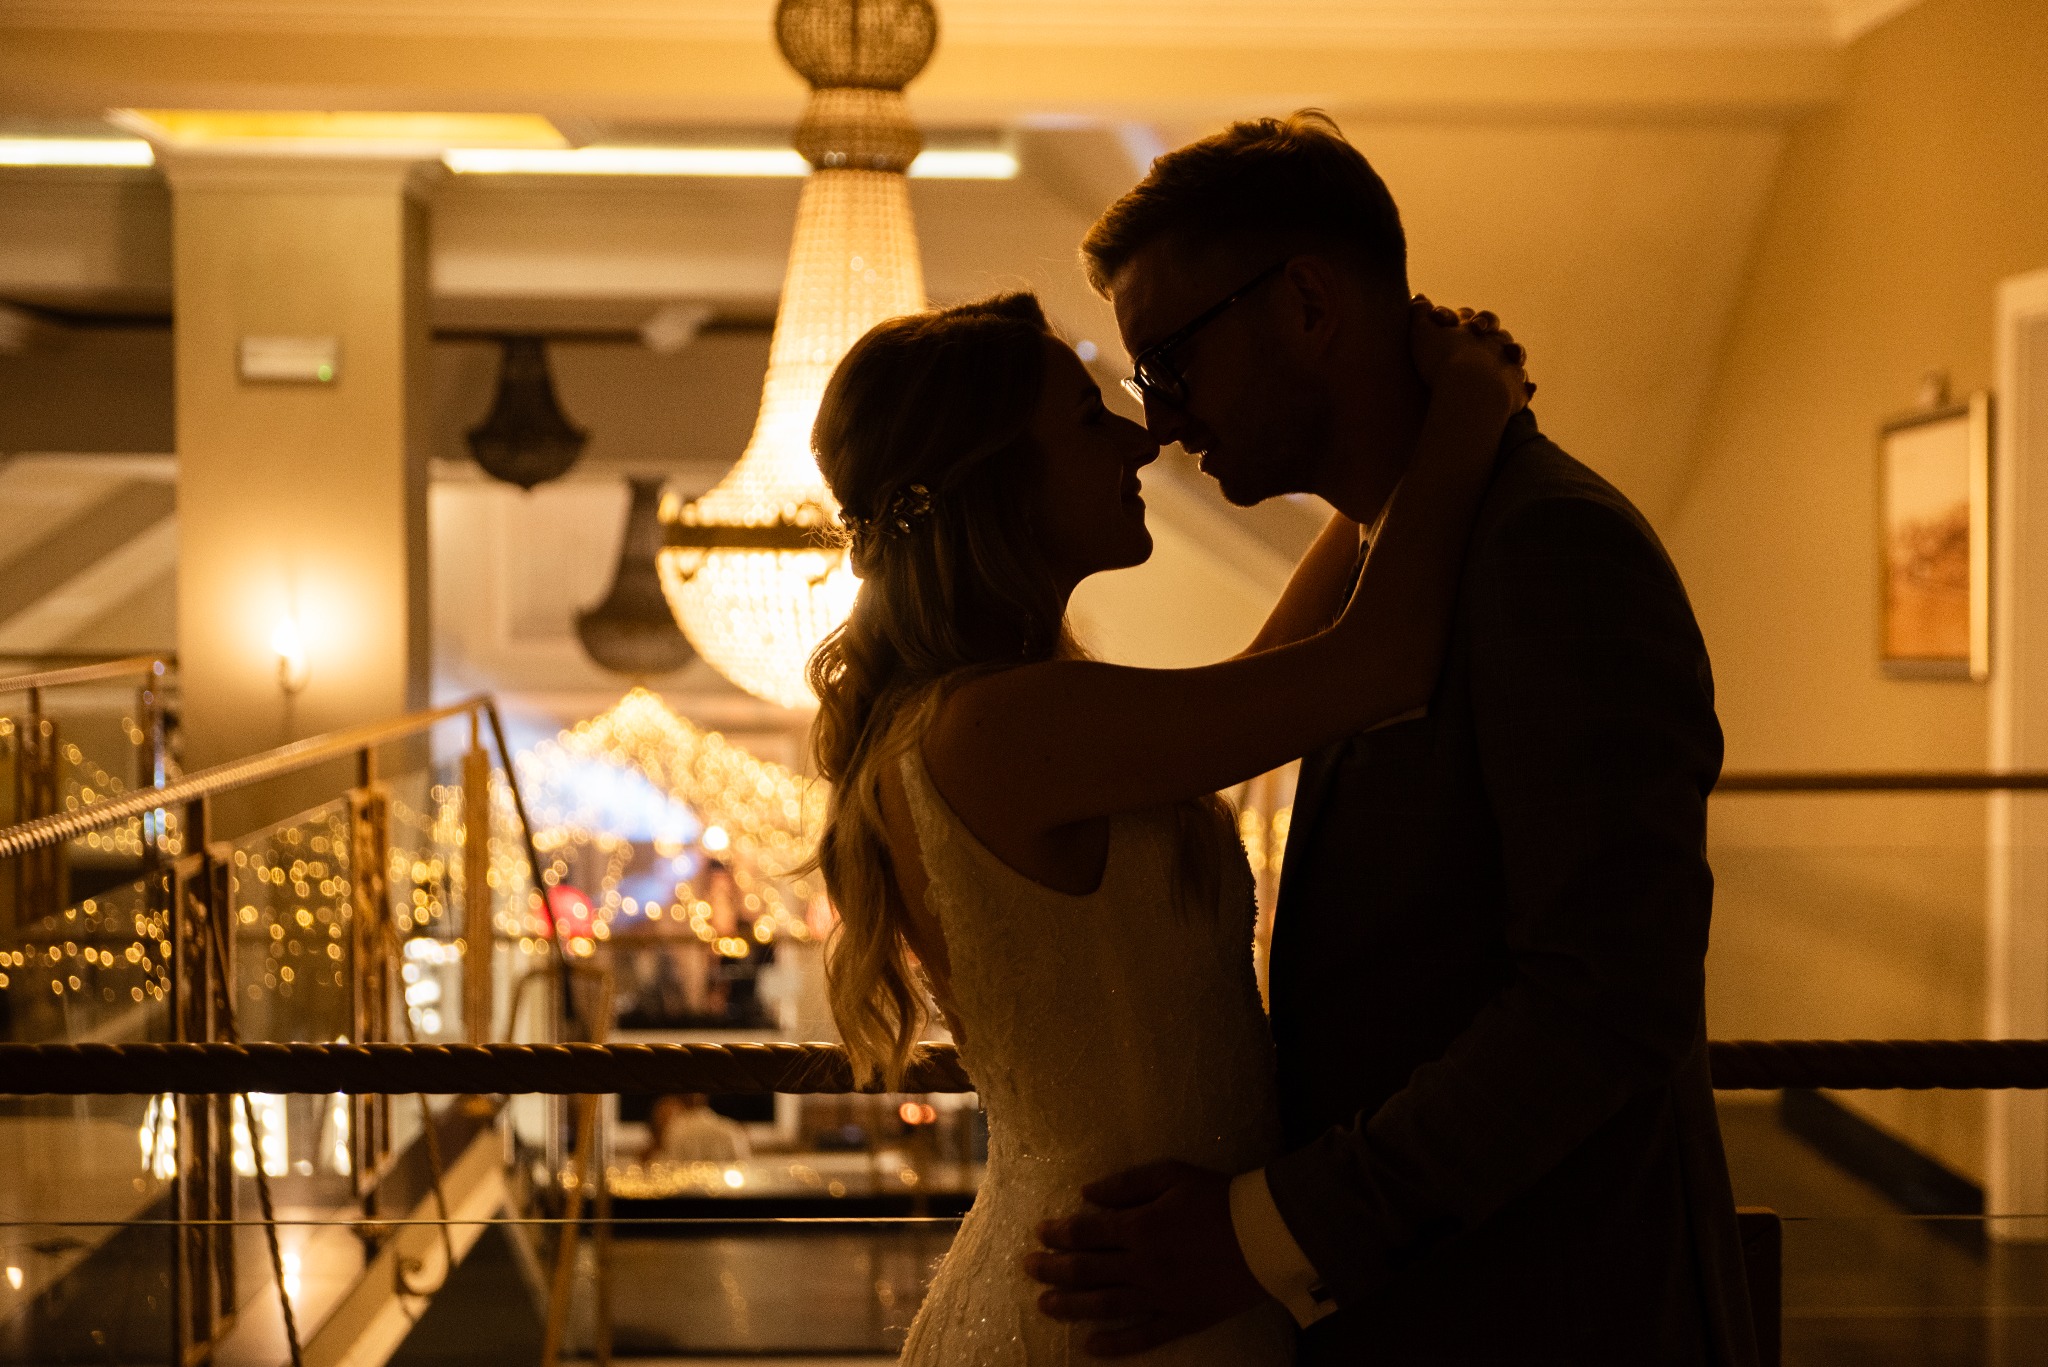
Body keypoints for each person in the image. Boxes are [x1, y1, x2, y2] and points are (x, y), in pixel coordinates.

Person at [1023, 112, 1759, 1365]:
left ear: (1306, 303)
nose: (1157, 419)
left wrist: (1264, 1229)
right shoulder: (1412, 551)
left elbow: (1602, 1000)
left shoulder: (1545, 548)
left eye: (1171, 363)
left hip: (1550, 1309)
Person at [804, 275, 1528, 1359]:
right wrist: (1474, 405)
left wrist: (1380, 477)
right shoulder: (997, 726)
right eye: (1089, 419)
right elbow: (1373, 664)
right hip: (1121, 1303)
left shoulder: (994, 717)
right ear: (997, 479)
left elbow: (1270, 676)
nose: (1140, 443)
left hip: (1148, 1278)